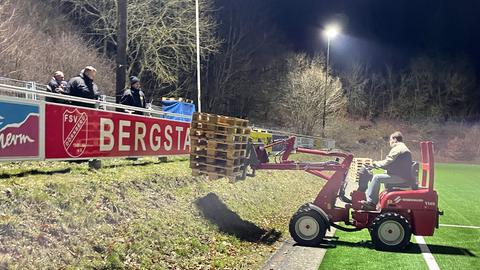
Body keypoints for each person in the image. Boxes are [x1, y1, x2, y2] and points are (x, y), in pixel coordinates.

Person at [360, 131, 412, 210]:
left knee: (377, 178)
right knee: (378, 176)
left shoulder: (398, 148)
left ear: (394, 139)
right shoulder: (402, 147)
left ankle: (371, 202)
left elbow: (387, 161)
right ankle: (373, 200)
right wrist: (379, 166)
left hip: (400, 177)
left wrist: (374, 164)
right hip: (401, 175)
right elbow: (392, 164)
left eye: (390, 139)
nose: (389, 142)